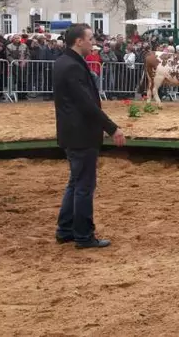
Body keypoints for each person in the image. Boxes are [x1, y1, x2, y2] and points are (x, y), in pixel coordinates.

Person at [54, 23, 126, 249]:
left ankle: (65, 229)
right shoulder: (72, 66)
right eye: (90, 38)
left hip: (71, 133)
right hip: (81, 134)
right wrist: (112, 127)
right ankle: (84, 235)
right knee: (84, 186)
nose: (93, 43)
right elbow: (86, 104)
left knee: (75, 183)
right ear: (78, 41)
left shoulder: (62, 62)